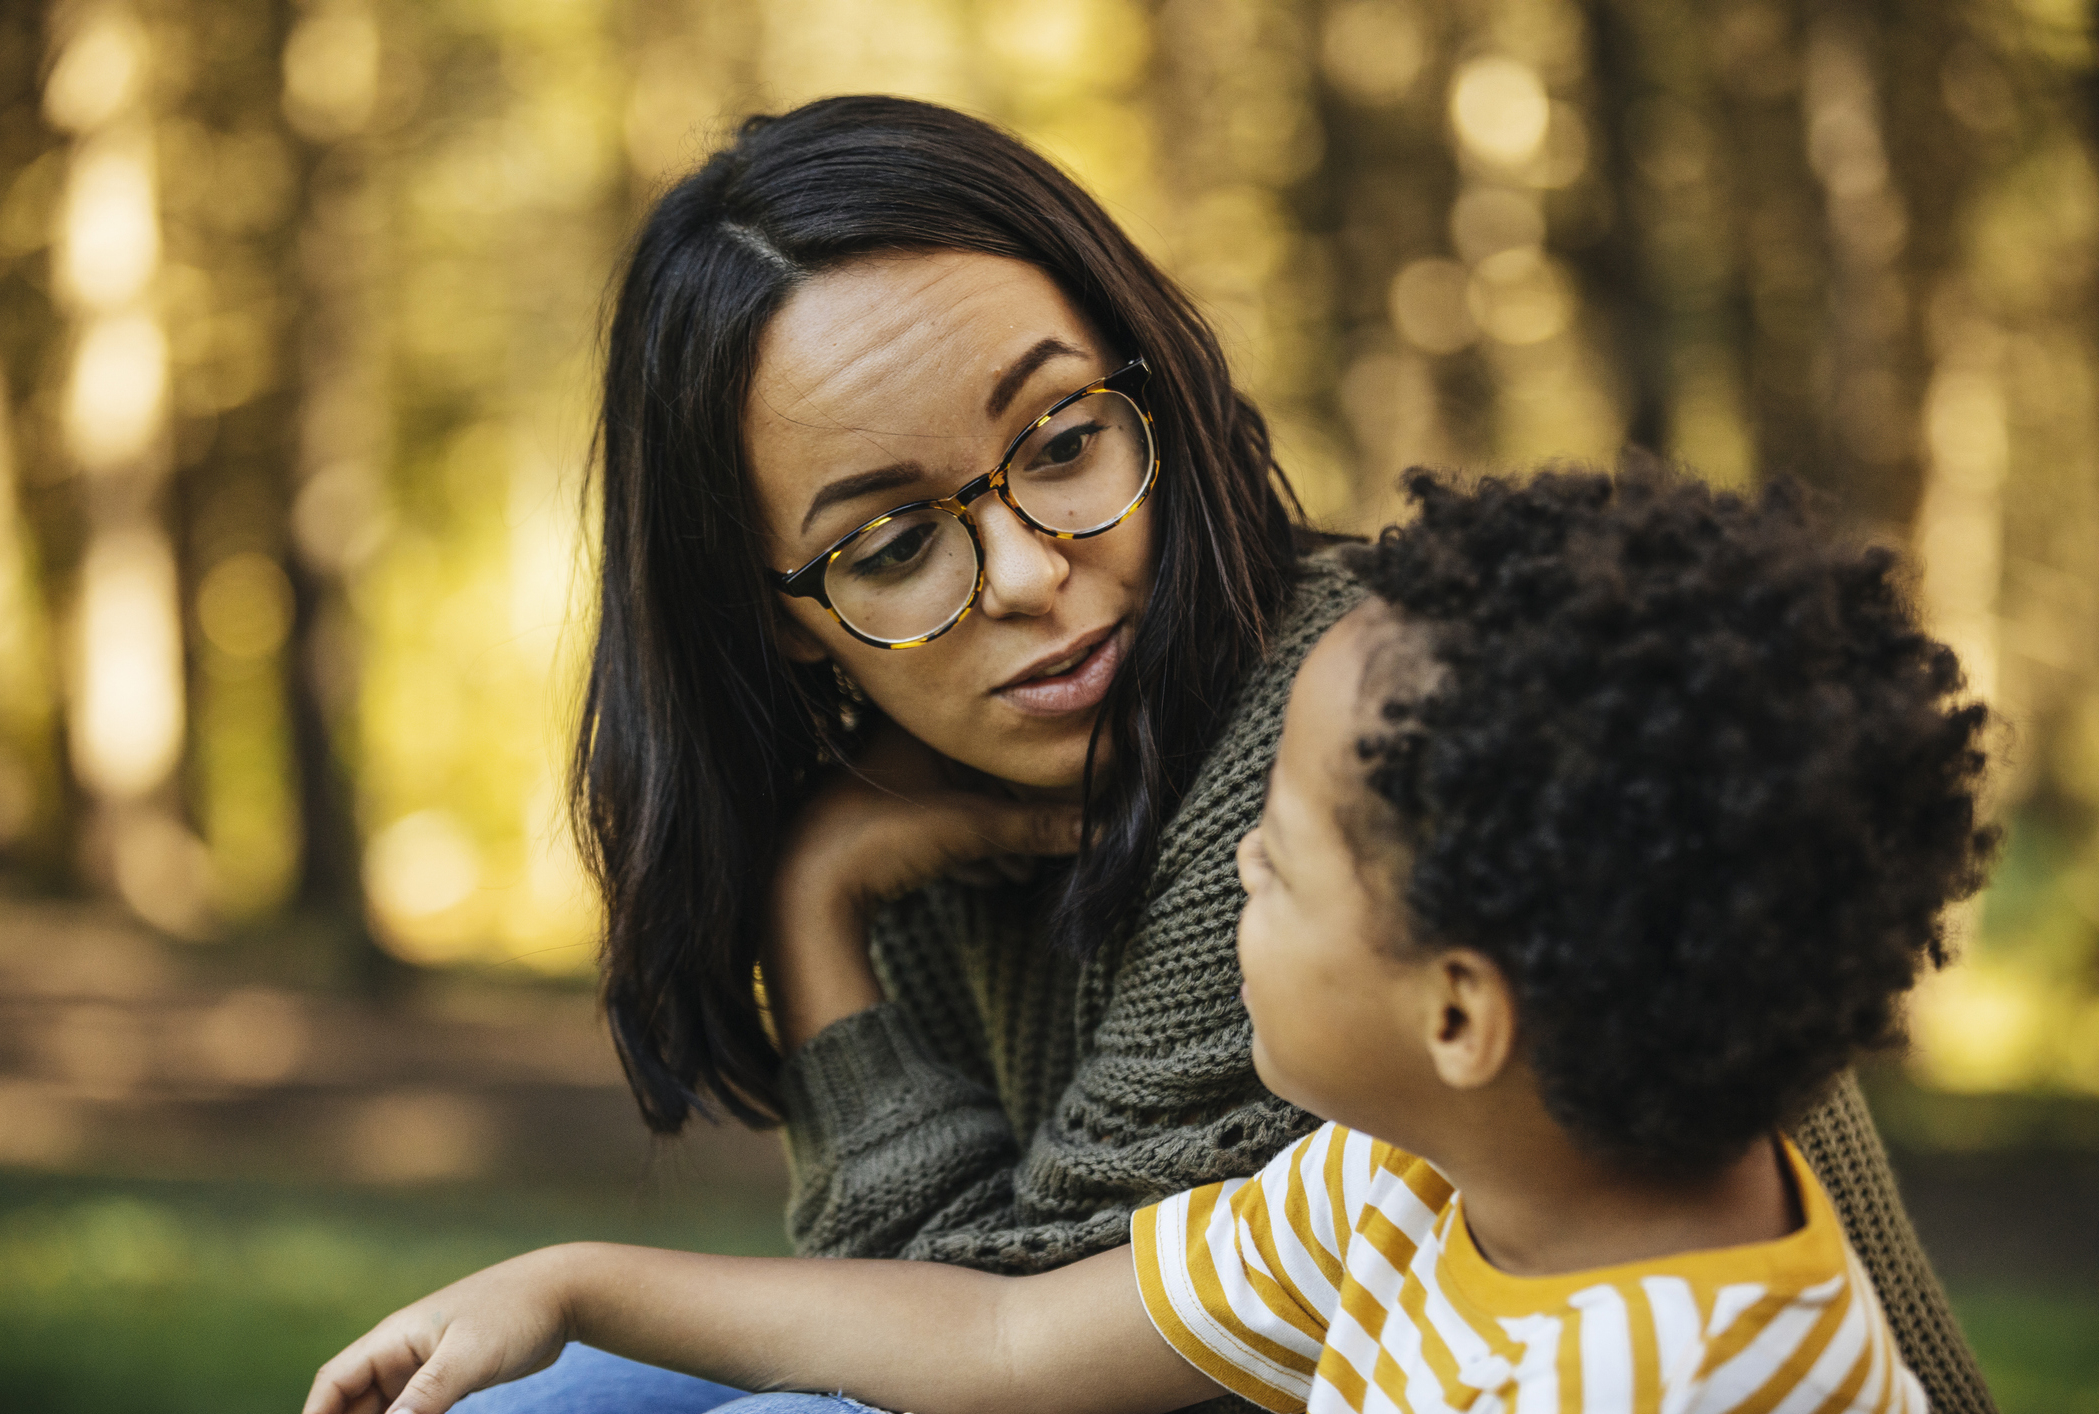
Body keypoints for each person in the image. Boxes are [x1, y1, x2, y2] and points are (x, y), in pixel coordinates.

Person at [459, 96, 1996, 1413]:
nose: (1023, 573)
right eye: (892, 539)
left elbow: (983, 1358)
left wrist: (813, 912)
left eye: (1062, 441)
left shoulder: (1354, 737)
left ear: (1154, 390)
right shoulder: (1368, 1186)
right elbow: (988, 1337)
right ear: (777, 613)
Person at [308, 467, 1993, 1414]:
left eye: (1276, 857)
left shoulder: (1657, 1381)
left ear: (1461, 1011)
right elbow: (1008, 1336)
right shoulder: (1409, 1176)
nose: (1229, 863)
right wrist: (573, 1281)